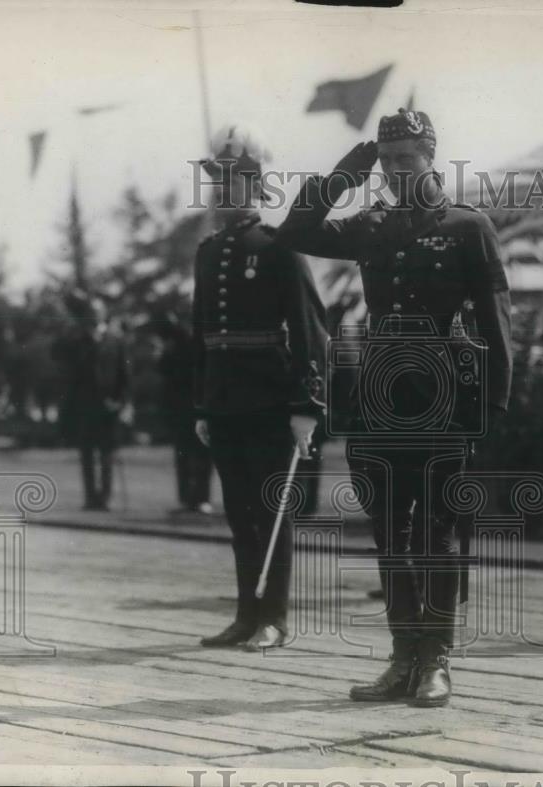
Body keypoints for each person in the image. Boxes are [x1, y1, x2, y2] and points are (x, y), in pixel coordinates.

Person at [277, 108, 513, 707]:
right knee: (389, 531)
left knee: (436, 531)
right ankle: (400, 658)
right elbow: (295, 233)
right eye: (386, 159)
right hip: (380, 396)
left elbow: (495, 320)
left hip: (442, 396)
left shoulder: (467, 226)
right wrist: (342, 176)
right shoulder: (372, 224)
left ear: (432, 156)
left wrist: (493, 402)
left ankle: (436, 660)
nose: (396, 169)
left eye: (407, 157)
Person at [192, 124, 328, 650]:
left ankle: (274, 617)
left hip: (271, 401)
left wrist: (306, 406)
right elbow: (201, 333)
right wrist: (202, 404)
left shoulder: (280, 247)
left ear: (258, 186)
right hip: (225, 401)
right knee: (238, 511)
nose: (224, 190)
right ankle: (246, 614)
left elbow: (310, 328)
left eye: (236, 179)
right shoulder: (207, 252)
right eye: (218, 180)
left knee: (273, 510)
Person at [54, 292, 130, 512]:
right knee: (86, 453)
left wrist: (121, 402)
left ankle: (104, 498)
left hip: (109, 406)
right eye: (90, 313)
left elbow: (125, 375)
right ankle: (90, 498)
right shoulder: (77, 341)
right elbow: (68, 371)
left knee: (107, 454)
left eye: (97, 313)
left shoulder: (116, 340)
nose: (94, 317)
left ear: (104, 315)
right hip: (86, 406)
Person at [153, 315, 214, 515]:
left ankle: (195, 498)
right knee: (193, 455)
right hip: (188, 409)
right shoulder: (182, 345)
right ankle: (194, 499)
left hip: (191, 409)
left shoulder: (186, 346)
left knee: (194, 455)